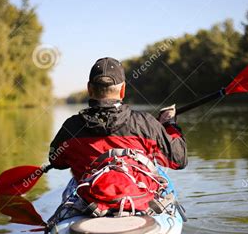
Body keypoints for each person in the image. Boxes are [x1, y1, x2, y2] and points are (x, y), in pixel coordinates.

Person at [49, 57, 187, 179]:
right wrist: (169, 124)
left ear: (89, 89)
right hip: (137, 203)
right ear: (123, 90)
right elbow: (178, 160)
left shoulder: (71, 127)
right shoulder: (145, 123)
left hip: (90, 203)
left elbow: (56, 161)